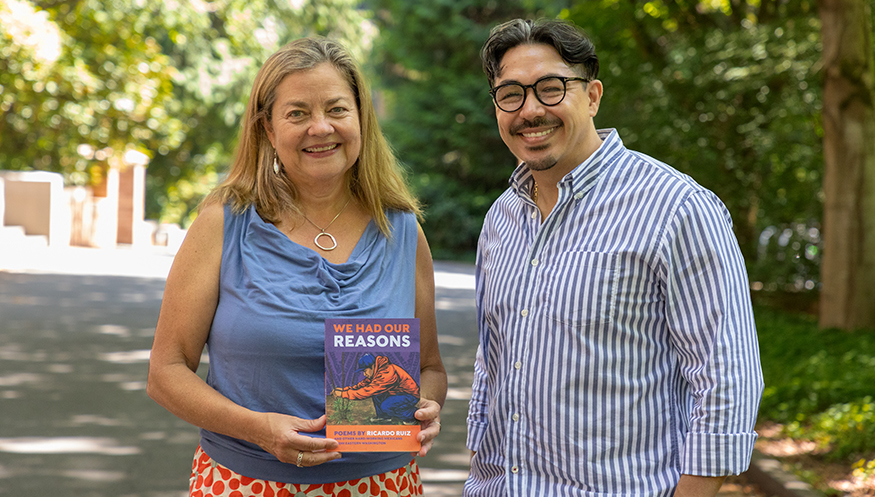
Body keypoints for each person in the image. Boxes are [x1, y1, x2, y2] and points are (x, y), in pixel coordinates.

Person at [464, 18, 764, 497]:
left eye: (550, 88)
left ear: (592, 96)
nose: (530, 110)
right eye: (511, 94)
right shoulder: (502, 217)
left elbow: (726, 376)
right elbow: (493, 360)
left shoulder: (676, 208)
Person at [147, 37, 447, 497]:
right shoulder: (224, 224)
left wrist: (426, 407)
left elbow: (430, 368)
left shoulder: (402, 231)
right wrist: (257, 429)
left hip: (383, 483)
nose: (320, 127)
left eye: (337, 109)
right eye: (298, 113)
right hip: (247, 483)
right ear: (268, 129)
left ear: (361, 119)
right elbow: (166, 372)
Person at [332, 353, 420, 423]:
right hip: (397, 393)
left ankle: (413, 415)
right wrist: (345, 390)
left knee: (386, 406)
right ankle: (384, 418)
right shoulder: (378, 370)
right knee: (378, 395)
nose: (364, 374)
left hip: (410, 395)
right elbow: (364, 384)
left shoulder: (386, 373)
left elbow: (368, 390)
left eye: (365, 370)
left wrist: (343, 394)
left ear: (372, 366)